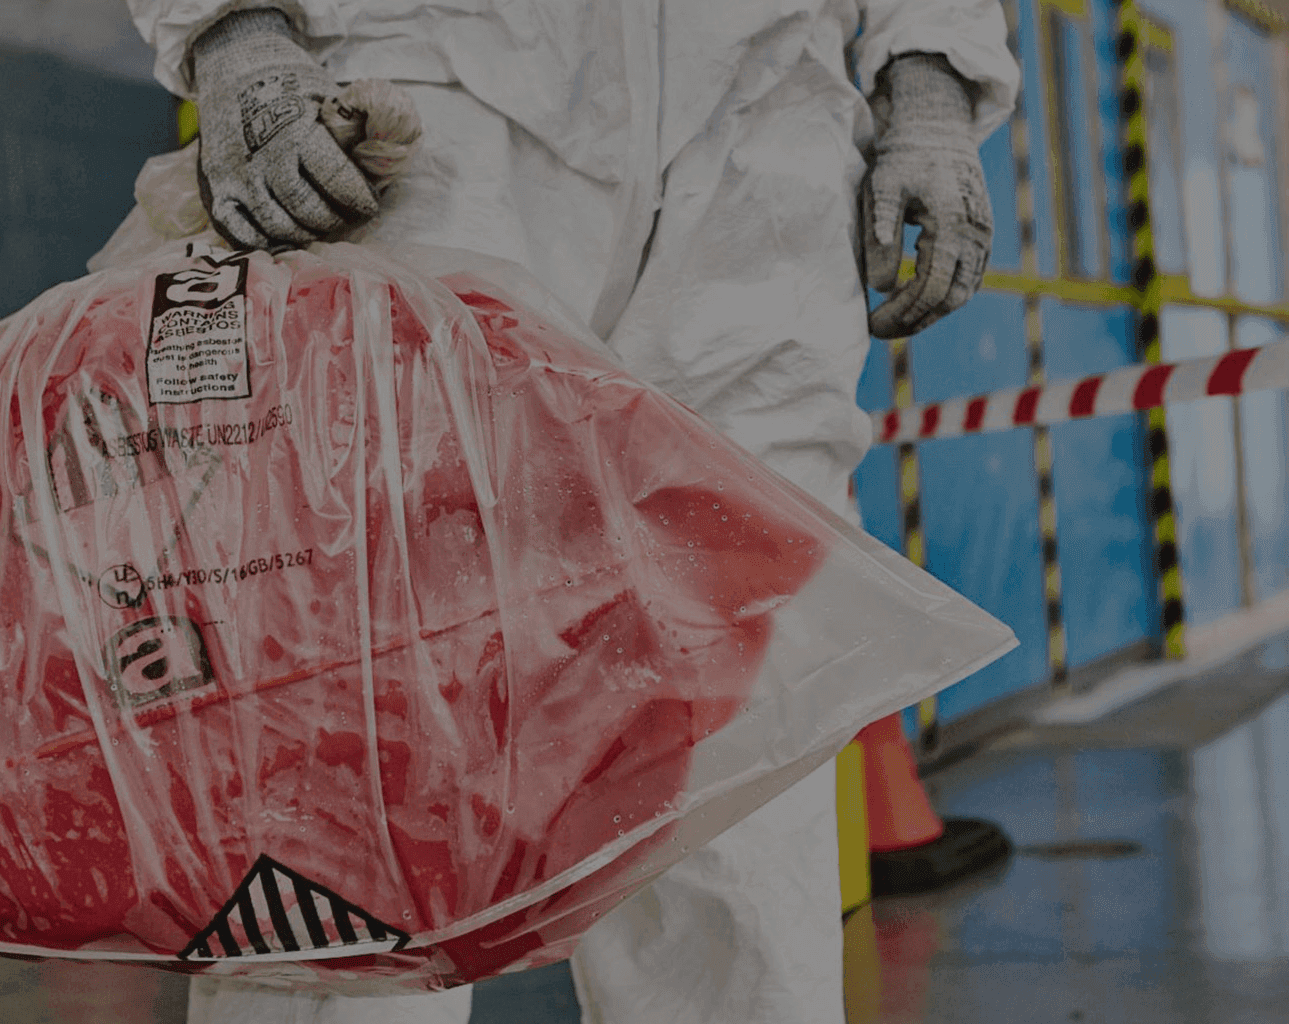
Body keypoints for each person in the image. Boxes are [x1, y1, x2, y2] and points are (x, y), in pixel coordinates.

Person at [117, 2, 1021, 1021]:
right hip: (429, 96)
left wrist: (931, 77)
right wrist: (235, 32)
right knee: (360, 711)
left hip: (760, 144)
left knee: (734, 738)